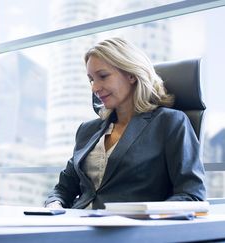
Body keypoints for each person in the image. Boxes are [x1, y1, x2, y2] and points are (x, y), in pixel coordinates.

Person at [45, 37, 206, 209]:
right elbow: (63, 189)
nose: (94, 88)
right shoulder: (88, 130)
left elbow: (191, 195)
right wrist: (55, 205)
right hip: (77, 225)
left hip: (129, 229)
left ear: (131, 74)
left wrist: (147, 215)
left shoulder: (169, 123)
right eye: (91, 79)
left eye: (103, 76)